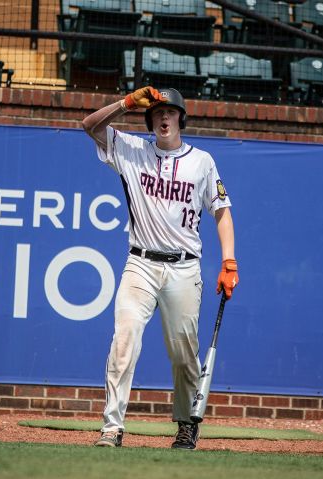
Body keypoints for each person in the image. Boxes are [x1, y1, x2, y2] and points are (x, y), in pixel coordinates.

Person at [81, 86, 239, 450]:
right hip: (140, 263)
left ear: (180, 118)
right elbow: (89, 125)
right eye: (155, 114)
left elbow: (222, 211)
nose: (162, 118)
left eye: (169, 113)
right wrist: (126, 103)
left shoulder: (202, 161)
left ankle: (186, 424)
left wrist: (229, 260)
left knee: (185, 353)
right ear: (149, 120)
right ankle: (112, 427)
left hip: (185, 269)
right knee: (125, 339)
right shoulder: (133, 150)